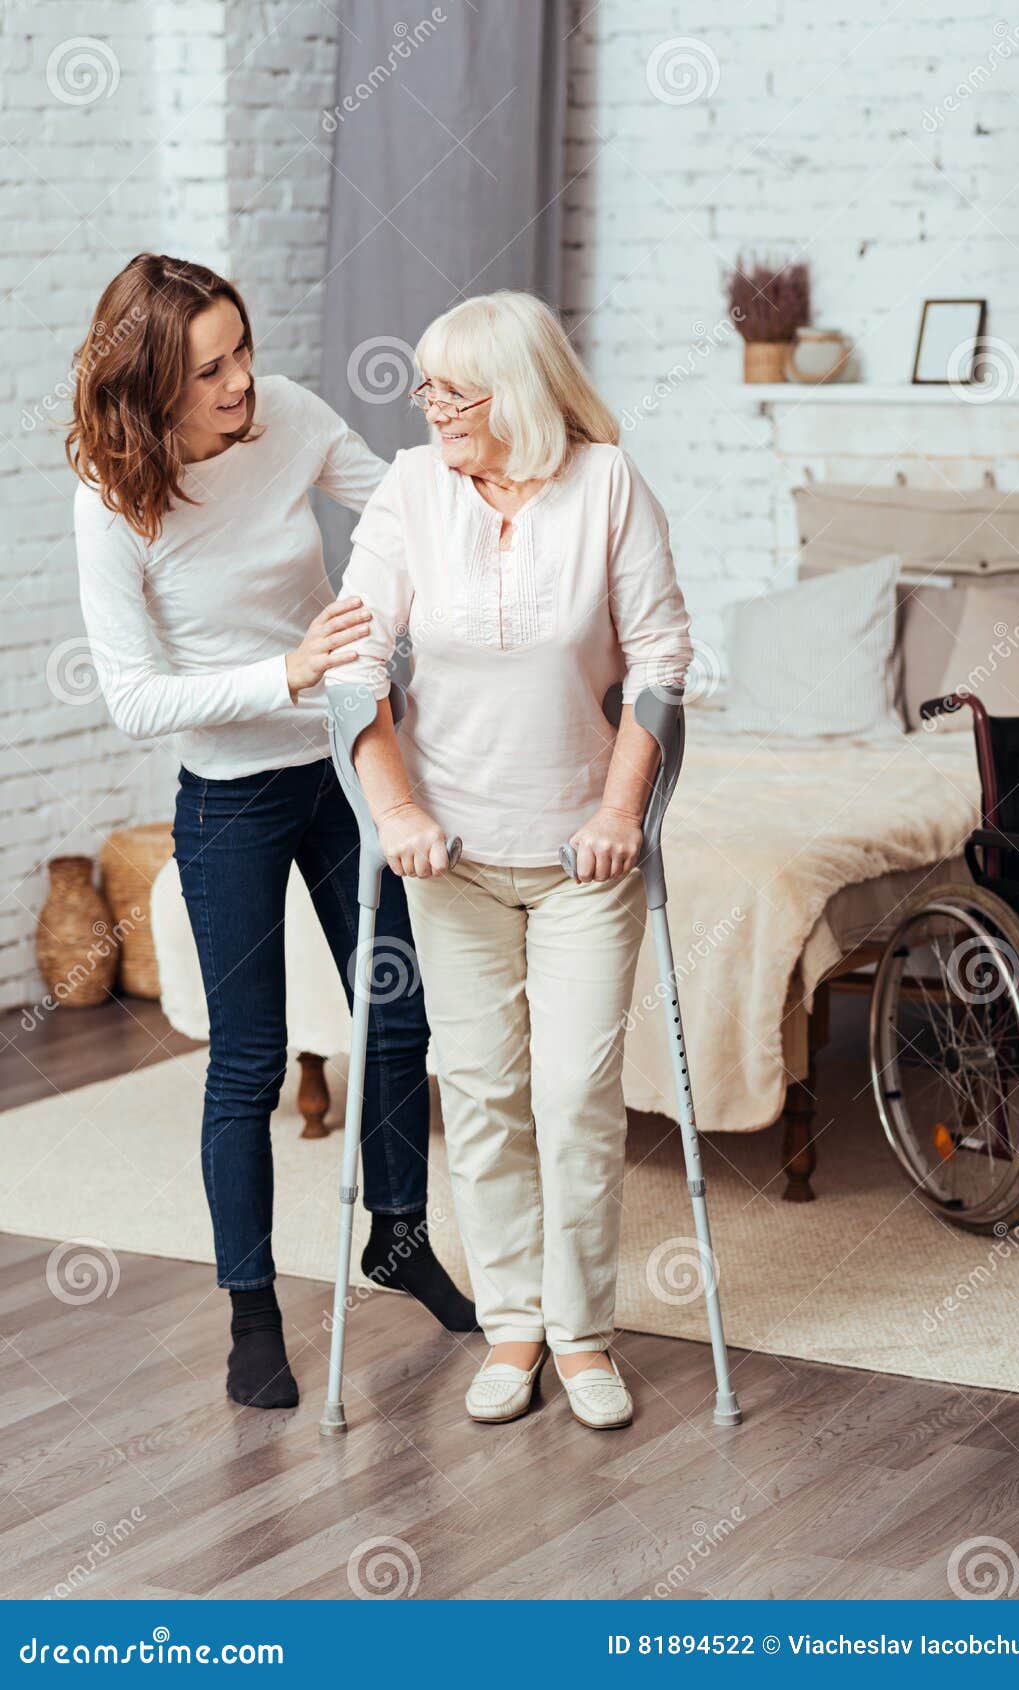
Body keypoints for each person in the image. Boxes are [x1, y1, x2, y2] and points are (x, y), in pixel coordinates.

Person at [70, 254, 476, 1413]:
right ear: (152, 388)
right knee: (246, 1064)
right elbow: (135, 697)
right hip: (232, 799)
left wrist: (497, 462)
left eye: (244, 350)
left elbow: (398, 505)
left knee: (397, 1014)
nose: (244, 381)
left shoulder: (288, 414)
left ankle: (395, 1235)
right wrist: (284, 668)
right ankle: (252, 1309)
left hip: (346, 768)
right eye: (212, 369)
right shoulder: (114, 500)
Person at [327, 291, 692, 1429]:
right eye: (425, 385)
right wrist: (393, 809)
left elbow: (664, 661)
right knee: (481, 1090)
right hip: (453, 861)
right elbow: (352, 658)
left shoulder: (607, 487)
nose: (431, 406)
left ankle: (586, 1338)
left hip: (585, 857)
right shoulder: (409, 490)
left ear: (521, 395)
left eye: (455, 390)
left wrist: (621, 807)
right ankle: (514, 1326)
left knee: (576, 1093)